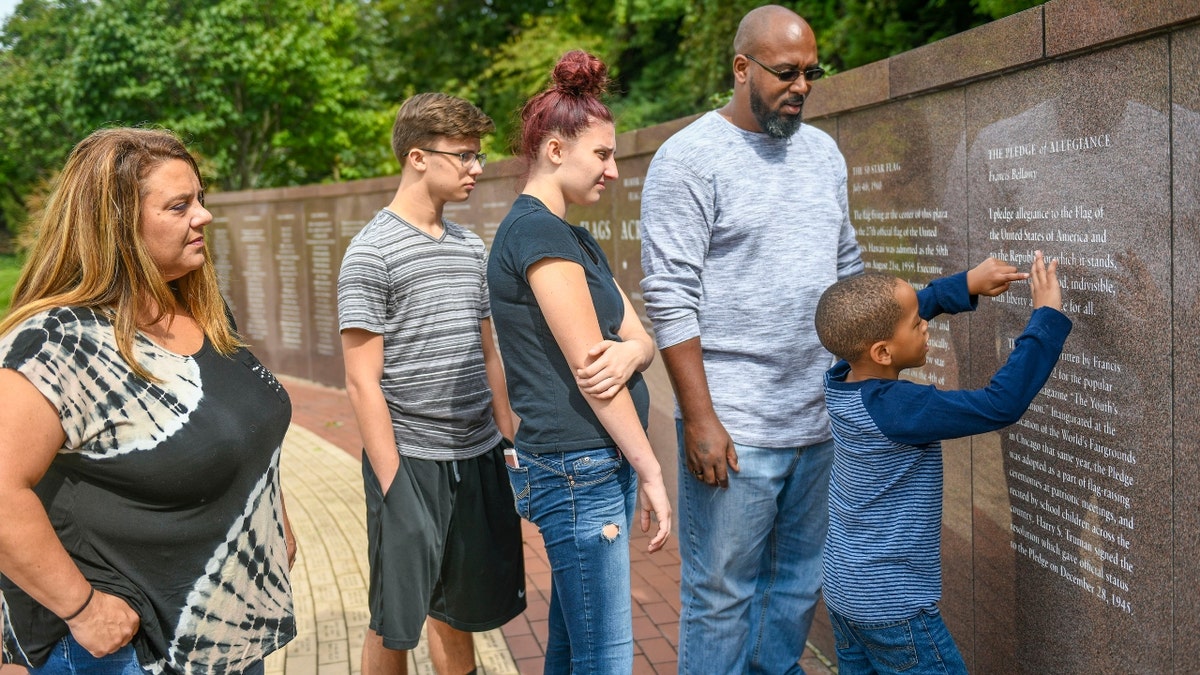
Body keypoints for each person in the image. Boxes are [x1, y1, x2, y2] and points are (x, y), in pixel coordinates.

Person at [0, 127, 296, 674]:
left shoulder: (201, 311)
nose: (203, 216)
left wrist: (268, 514)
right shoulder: (56, 343)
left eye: (200, 199)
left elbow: (241, 429)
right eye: (180, 205)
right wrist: (83, 608)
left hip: (221, 637)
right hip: (123, 651)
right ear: (116, 227)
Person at [639, 5, 860, 672]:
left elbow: (846, 264)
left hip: (816, 420)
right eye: (786, 72)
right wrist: (700, 417)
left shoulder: (823, 152)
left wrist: (857, 382)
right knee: (721, 593)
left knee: (794, 587)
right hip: (733, 428)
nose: (801, 86)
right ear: (742, 68)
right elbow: (669, 295)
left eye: (811, 73)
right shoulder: (688, 160)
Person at [486, 50, 671, 673]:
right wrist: (651, 470)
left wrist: (636, 352)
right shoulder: (537, 235)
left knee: (573, 651)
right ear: (556, 150)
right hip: (577, 473)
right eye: (603, 154)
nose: (613, 171)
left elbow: (634, 335)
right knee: (607, 658)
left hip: (593, 466)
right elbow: (596, 373)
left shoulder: (571, 235)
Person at [337, 93, 526, 675]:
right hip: (410, 463)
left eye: (479, 155)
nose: (477, 168)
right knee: (395, 620)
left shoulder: (472, 247)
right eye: (465, 156)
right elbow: (362, 382)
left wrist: (508, 439)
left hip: (477, 455)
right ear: (418, 157)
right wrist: (395, 485)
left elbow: (488, 352)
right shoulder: (370, 253)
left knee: (461, 612)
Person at [814, 252, 1071, 674]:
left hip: (844, 590)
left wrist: (966, 283)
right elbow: (1000, 404)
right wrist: (1045, 316)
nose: (925, 324)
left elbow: (886, 317)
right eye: (917, 324)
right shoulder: (898, 409)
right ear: (882, 352)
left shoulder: (843, 374)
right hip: (892, 606)